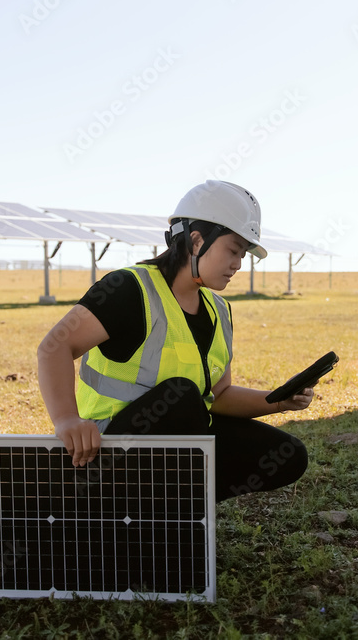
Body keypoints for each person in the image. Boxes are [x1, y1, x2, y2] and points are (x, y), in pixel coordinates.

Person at [37, 180, 312, 501]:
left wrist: (279, 400)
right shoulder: (128, 288)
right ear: (197, 241)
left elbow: (219, 396)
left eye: (243, 254)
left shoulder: (219, 310)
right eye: (233, 250)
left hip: (179, 443)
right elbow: (53, 348)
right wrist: (67, 419)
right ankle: (115, 503)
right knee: (180, 399)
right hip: (108, 449)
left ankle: (175, 505)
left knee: (286, 453)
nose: (238, 263)